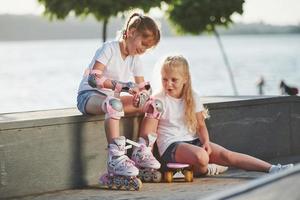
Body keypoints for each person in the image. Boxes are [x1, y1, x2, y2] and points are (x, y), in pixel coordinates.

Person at [139, 55, 294, 176]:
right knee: (201, 157)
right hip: (171, 146)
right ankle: (207, 169)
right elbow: (148, 132)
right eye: (164, 79)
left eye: (174, 80)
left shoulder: (192, 96)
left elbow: (200, 125)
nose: (168, 84)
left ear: (185, 79)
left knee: (227, 156)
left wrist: (205, 141)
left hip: (193, 141)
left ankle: (273, 169)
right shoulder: (159, 99)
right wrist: (146, 157)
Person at [77, 13, 162, 189]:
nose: (143, 50)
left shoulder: (135, 59)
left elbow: (142, 86)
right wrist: (123, 87)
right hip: (89, 96)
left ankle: (142, 152)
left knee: (154, 105)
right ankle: (115, 159)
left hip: (111, 99)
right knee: (113, 104)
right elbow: (94, 78)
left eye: (148, 48)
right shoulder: (108, 48)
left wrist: (143, 95)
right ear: (131, 32)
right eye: (143, 44)